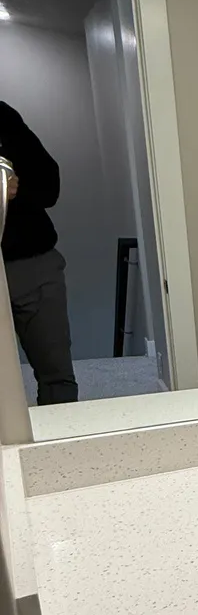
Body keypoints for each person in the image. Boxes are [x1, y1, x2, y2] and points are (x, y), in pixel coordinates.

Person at [0, 101, 78, 404]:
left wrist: (14, 186)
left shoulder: (3, 116)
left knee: (56, 375)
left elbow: (50, 186)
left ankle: (61, 449)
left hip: (33, 265)